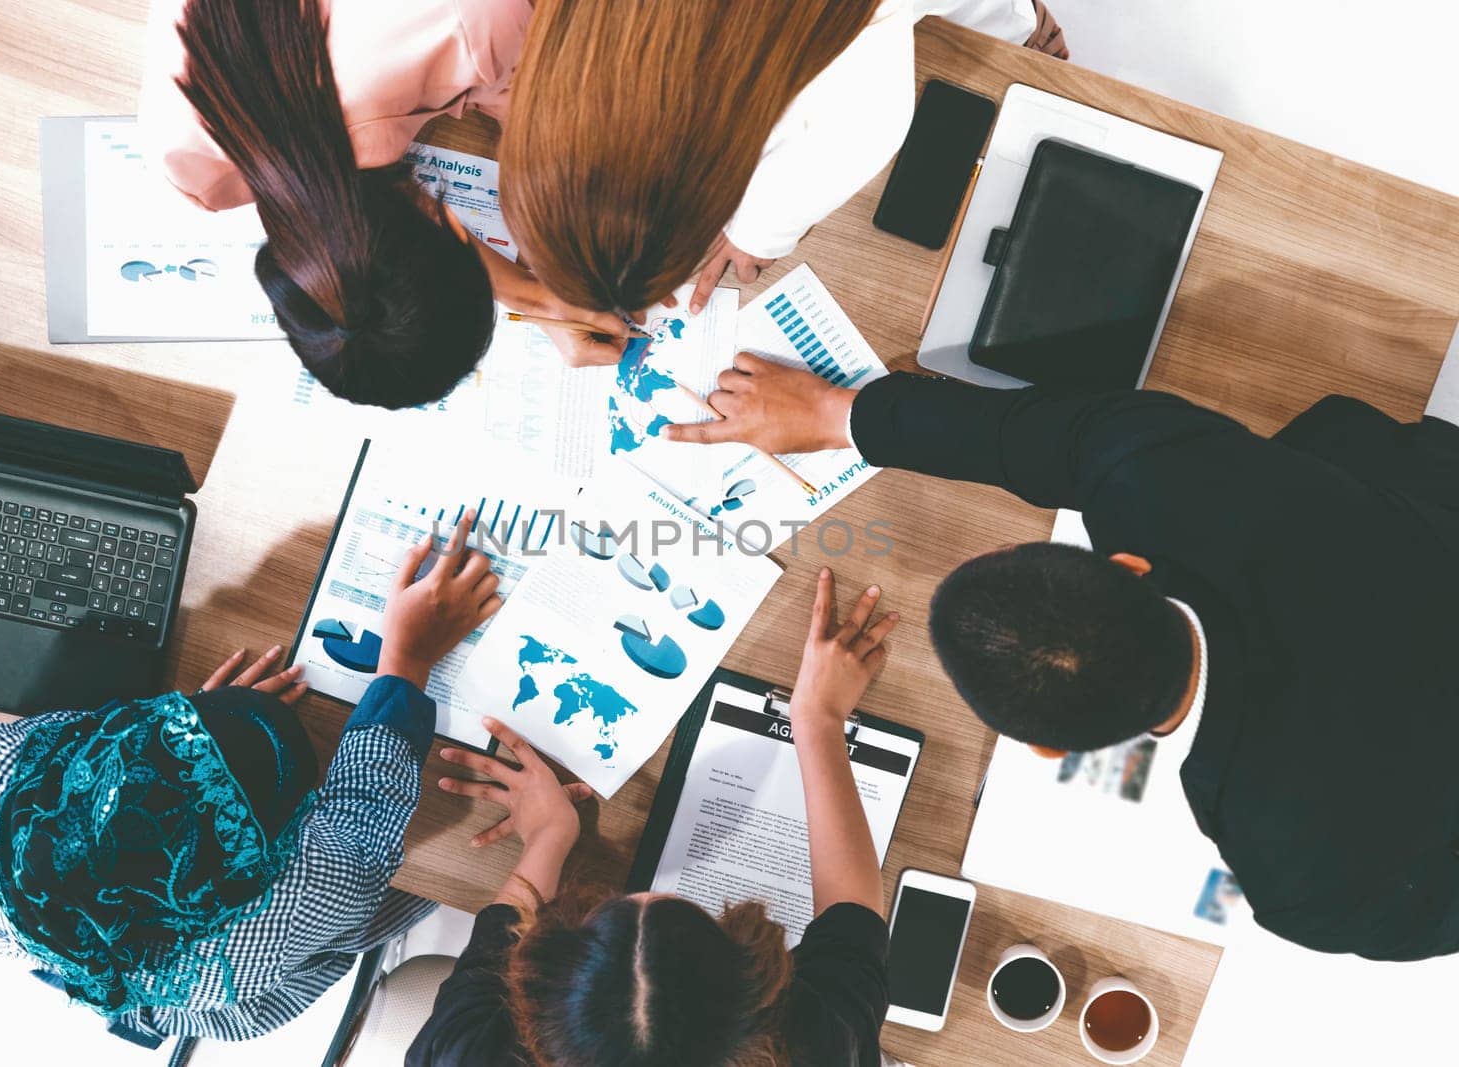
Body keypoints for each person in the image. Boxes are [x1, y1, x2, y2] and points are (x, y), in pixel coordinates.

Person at [662, 355, 1459, 961]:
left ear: (1050, 747)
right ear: (1128, 567)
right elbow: (1044, 437)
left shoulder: (1305, 887)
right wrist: (842, 413)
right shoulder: (1166, 474)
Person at [0, 512, 504, 1043]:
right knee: (399, 880)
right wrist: (407, 660)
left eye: (180, 726)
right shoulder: (294, 899)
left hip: (59, 929)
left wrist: (185, 725)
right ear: (281, 845)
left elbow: (90, 733)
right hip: (249, 974)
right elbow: (363, 817)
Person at [407, 569, 901, 1065]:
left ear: (532, 994)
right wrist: (819, 718)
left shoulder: (463, 1052)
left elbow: (496, 944)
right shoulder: (823, 1045)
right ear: (757, 985)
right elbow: (853, 920)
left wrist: (549, 836)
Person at [137, 0, 632, 410]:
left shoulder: (475, 25)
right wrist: (532, 297)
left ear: (457, 227)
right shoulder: (190, 165)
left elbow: (533, 88)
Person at [499, 0, 1069, 319]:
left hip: (990, 23)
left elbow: (865, 128)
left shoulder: (834, 81)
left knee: (1044, 75)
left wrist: (761, 230)